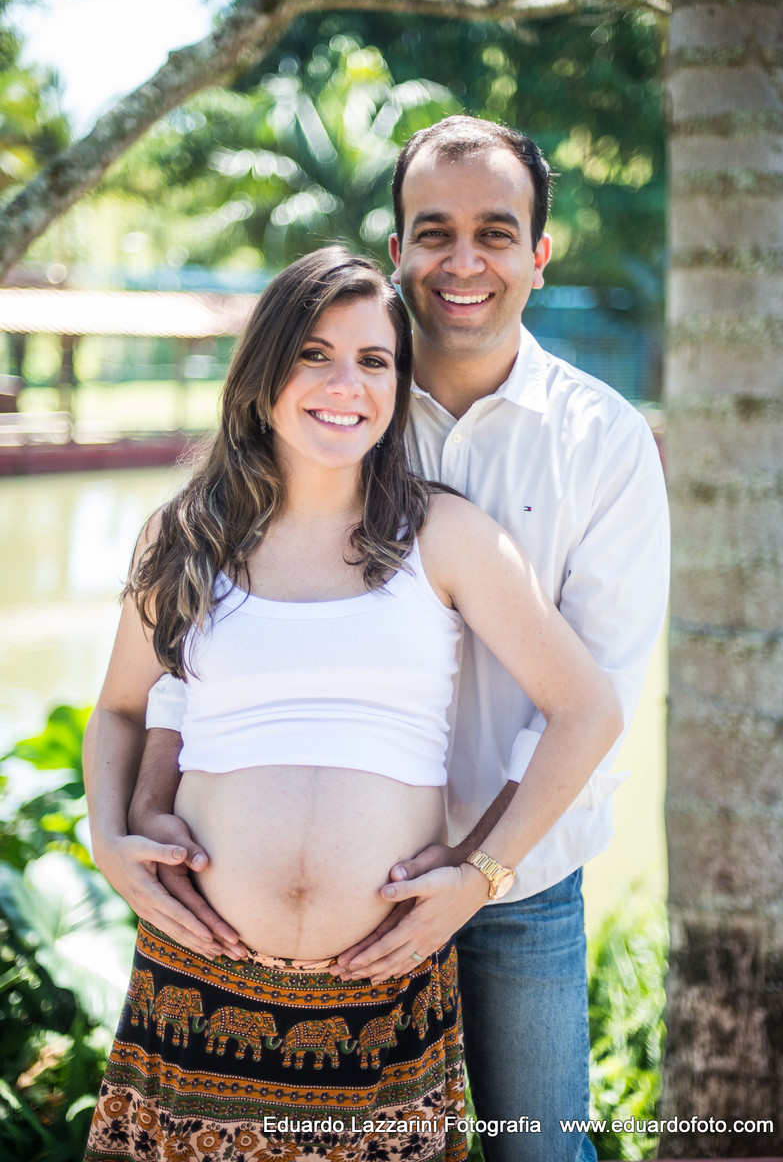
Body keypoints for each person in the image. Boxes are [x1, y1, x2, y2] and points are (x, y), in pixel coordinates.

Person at [82, 245, 622, 1162]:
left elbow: (587, 711)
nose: (346, 385)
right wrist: (107, 839)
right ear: (264, 371)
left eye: (374, 360)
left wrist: (480, 875)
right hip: (199, 983)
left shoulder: (442, 533)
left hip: (379, 1000)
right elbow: (121, 711)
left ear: (397, 386)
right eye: (315, 354)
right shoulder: (185, 534)